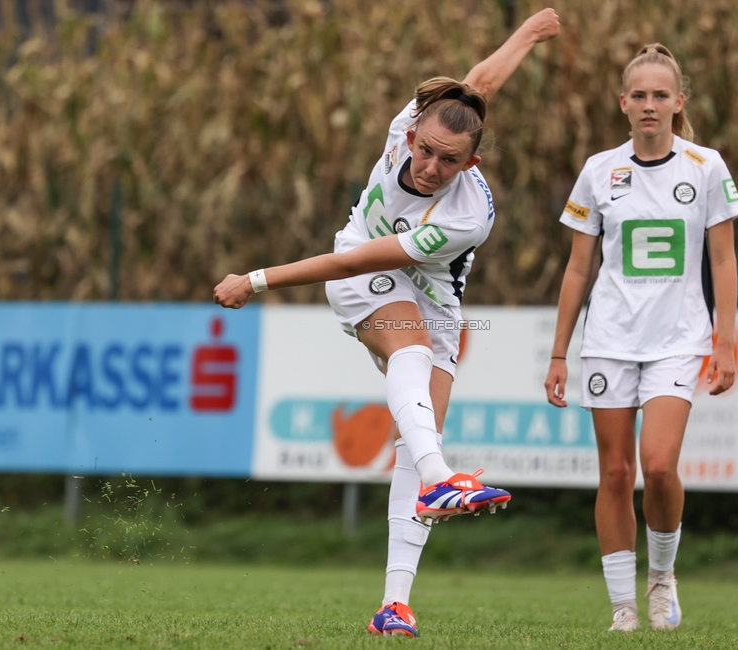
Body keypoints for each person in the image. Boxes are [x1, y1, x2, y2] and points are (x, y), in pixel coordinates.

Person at [215, 8, 560, 637]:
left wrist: (256, 279)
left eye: (449, 160)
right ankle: (438, 478)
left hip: (435, 305)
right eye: (424, 150)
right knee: (411, 351)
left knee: (415, 433)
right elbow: (476, 85)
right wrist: (530, 34)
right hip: (354, 271)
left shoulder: (466, 215)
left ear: (472, 163)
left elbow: (470, 109)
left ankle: (393, 604)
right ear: (409, 133)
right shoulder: (412, 121)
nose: (430, 166)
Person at [544, 43, 738, 632]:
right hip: (608, 339)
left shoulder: (706, 166)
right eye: (640, 95)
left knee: (658, 467)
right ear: (623, 103)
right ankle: (622, 608)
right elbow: (579, 269)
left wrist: (723, 342)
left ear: (679, 102)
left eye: (662, 95)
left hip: (679, 341)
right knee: (614, 474)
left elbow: (724, 262)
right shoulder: (599, 170)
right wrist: (559, 351)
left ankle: (660, 580)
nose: (650, 105)